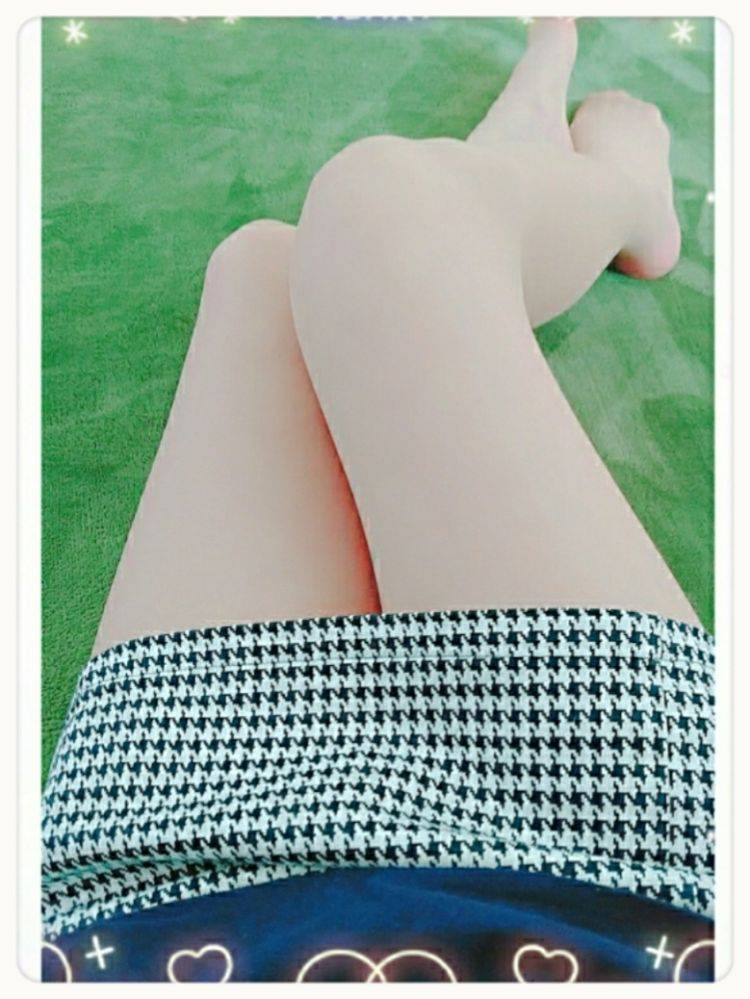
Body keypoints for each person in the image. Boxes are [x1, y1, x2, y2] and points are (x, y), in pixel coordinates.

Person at [92, 18, 697, 657]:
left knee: (263, 265)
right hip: (583, 715)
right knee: (384, 204)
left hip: (178, 717)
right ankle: (621, 195)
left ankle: (514, 164)